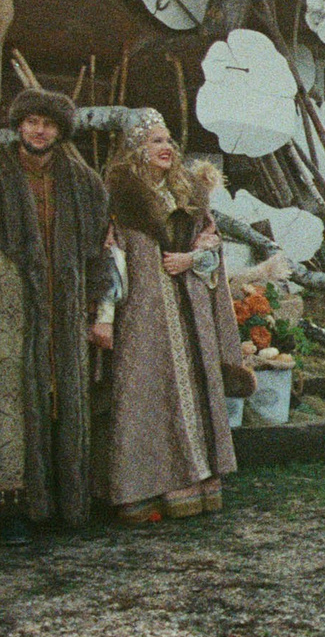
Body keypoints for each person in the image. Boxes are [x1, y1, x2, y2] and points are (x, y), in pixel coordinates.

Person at [0, 88, 114, 542]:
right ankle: (10, 508)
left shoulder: (84, 182)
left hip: (65, 311)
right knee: (9, 403)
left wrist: (98, 308)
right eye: (32, 122)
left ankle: (62, 501)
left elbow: (99, 251)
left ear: (60, 131)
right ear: (18, 125)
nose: (40, 130)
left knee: (63, 400)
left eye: (49, 124)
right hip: (10, 308)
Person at [96, 112, 237, 523]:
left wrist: (192, 257)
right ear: (137, 149)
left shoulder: (188, 196)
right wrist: (104, 317)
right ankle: (141, 491)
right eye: (155, 140)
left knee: (190, 390)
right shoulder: (120, 199)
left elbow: (213, 246)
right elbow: (109, 260)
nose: (166, 148)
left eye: (169, 141)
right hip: (142, 313)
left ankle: (193, 485)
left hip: (189, 309)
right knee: (143, 394)